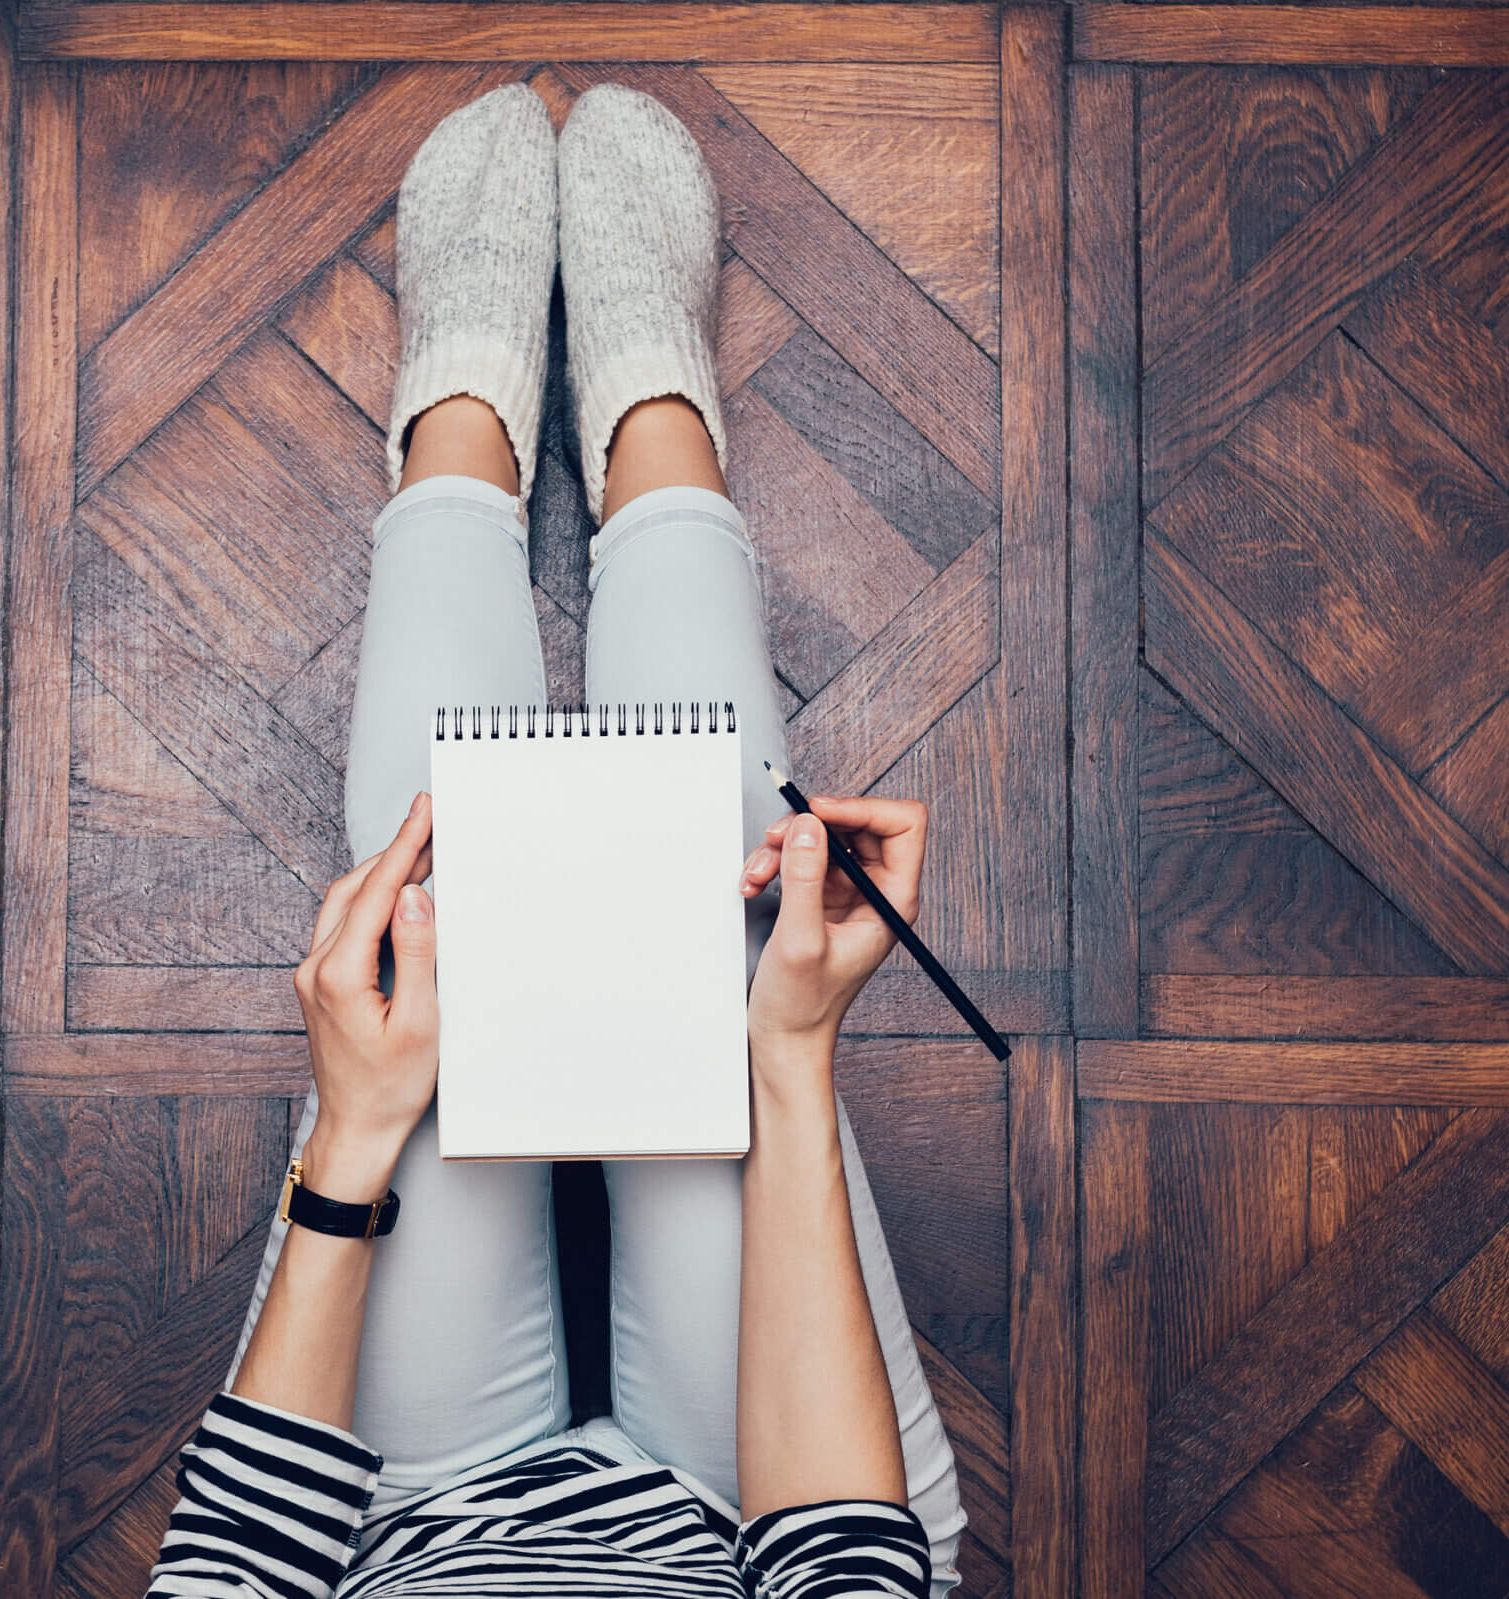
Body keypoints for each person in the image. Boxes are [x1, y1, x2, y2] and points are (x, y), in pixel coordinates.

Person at [144, 82, 969, 1599]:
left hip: (395, 1531)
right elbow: (845, 1553)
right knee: (737, 887)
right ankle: (652, 395)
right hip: (770, 1523)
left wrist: (353, 1139)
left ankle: (462, 396)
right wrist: (789, 1055)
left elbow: (235, 1568)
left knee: (422, 903)